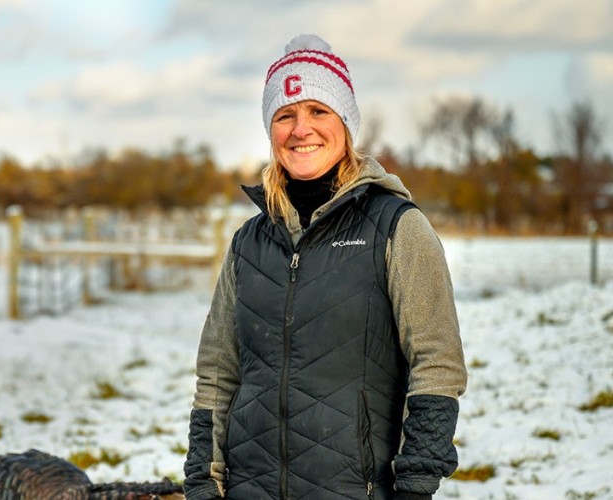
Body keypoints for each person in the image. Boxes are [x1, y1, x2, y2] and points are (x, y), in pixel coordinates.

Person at [184, 34, 468, 500]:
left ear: (346, 123)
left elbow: (437, 364)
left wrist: (416, 486)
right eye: (285, 115)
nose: (302, 129)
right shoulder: (248, 243)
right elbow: (217, 373)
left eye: (319, 111)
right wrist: (202, 482)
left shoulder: (398, 228)